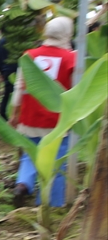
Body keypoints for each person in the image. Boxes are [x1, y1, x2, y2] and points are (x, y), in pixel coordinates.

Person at [9, 17, 77, 208]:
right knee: (56, 161)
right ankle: (50, 204)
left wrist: (14, 114)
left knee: (29, 155)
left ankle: (23, 184)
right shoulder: (72, 58)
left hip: (29, 117)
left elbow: (19, 87)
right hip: (56, 121)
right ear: (67, 33)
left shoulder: (29, 55)